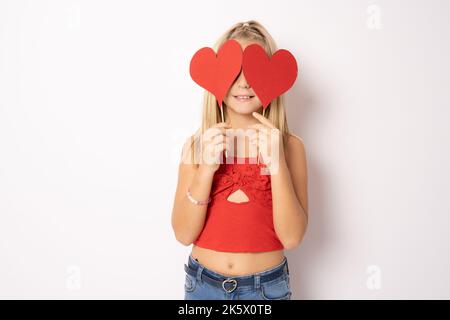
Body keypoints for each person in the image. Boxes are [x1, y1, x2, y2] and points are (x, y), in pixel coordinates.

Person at [171, 20, 309, 300]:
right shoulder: (197, 146)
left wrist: (277, 165)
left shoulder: (290, 147)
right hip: (202, 287)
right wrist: (205, 171)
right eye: (234, 72)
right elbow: (184, 234)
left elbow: (292, 238)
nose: (244, 82)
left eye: (254, 72)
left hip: (265, 291)